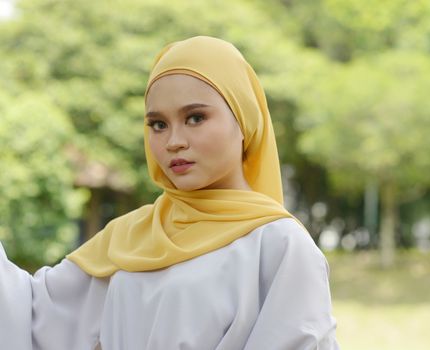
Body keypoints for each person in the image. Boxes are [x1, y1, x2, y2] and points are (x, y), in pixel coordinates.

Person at [0, 36, 339, 350]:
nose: (173, 140)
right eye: (158, 124)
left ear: (244, 121)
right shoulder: (131, 236)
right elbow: (30, 316)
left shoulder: (278, 246)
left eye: (195, 117)